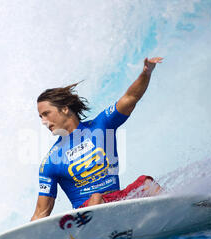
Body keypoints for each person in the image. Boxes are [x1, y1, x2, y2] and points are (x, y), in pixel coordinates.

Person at [31, 56, 164, 221]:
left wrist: (146, 72)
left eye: (46, 114)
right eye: (40, 117)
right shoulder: (51, 161)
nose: (43, 122)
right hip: (85, 217)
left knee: (146, 183)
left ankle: (180, 210)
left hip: (119, 202)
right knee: (96, 197)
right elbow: (41, 213)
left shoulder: (101, 125)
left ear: (65, 109)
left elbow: (130, 98)